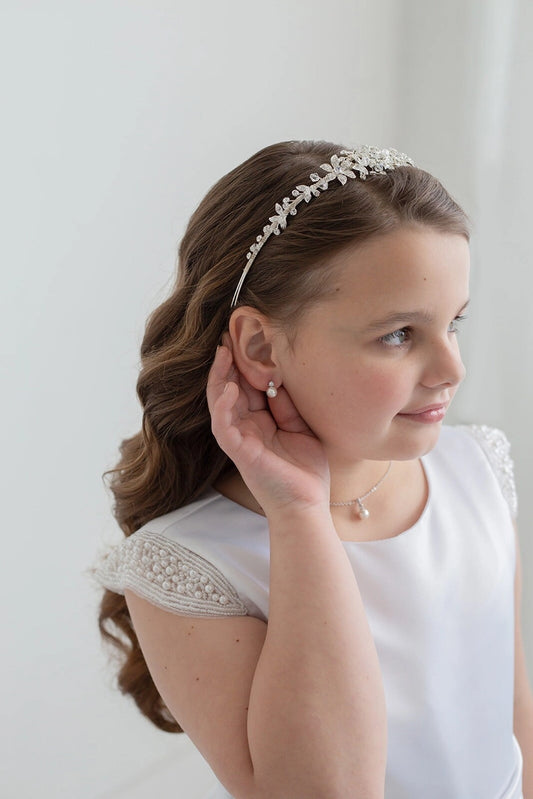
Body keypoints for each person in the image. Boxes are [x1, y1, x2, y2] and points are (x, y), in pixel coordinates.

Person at [91, 141, 529, 799]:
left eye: (453, 323)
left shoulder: (476, 469)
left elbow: (515, 719)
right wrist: (297, 512)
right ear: (261, 347)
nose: (451, 369)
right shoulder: (187, 565)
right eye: (399, 335)